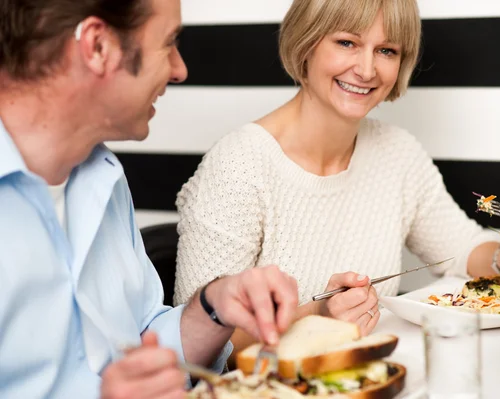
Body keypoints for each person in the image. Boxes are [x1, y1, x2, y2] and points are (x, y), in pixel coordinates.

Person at [173, 0, 500, 363]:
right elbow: (195, 347)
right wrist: (316, 319)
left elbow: (460, 250)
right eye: (347, 42)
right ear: (307, 42)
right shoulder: (238, 166)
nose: (367, 70)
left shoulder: (397, 152)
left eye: (386, 50)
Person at [0, 0, 299, 398]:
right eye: (168, 43)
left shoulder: (102, 176)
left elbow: (142, 339)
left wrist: (214, 308)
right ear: (98, 46)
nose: (180, 70)